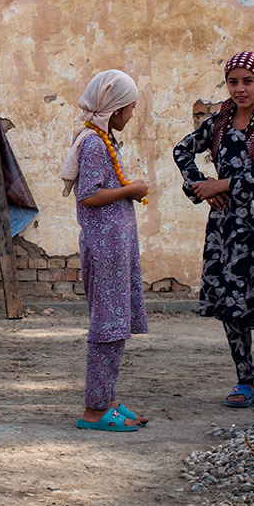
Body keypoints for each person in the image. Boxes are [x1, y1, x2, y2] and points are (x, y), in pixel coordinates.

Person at [173, 52, 254, 408]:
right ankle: (245, 382)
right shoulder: (218, 124)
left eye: (248, 81)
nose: (240, 89)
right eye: (233, 81)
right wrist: (200, 185)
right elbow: (182, 150)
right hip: (226, 230)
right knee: (232, 306)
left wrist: (222, 185)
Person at [60, 69, 149, 431]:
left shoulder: (103, 139)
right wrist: (131, 190)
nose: (131, 115)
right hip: (105, 248)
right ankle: (94, 410)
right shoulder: (95, 144)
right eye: (129, 108)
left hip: (115, 246)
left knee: (116, 326)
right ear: (115, 110)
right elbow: (89, 196)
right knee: (107, 328)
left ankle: (107, 396)